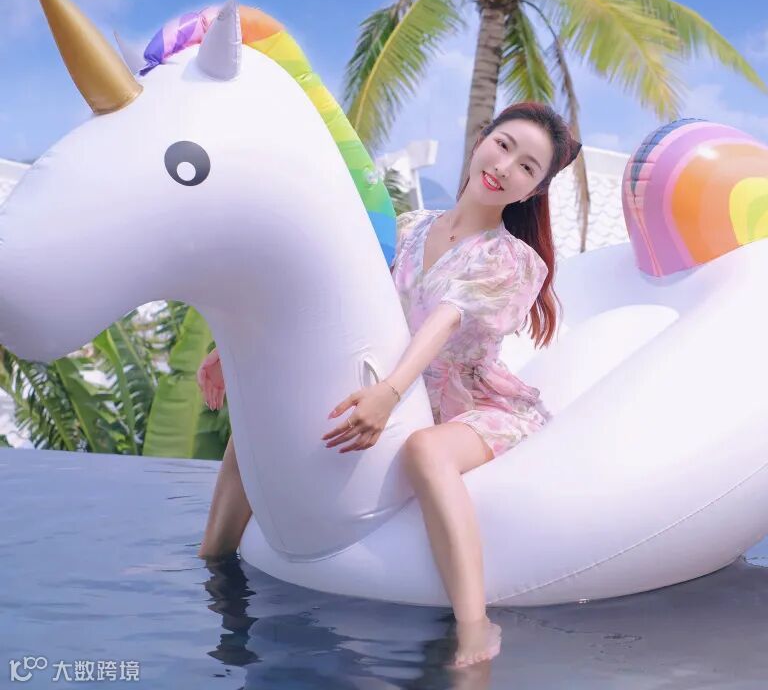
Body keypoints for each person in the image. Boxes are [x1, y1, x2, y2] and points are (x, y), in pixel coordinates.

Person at [196, 101, 581, 667]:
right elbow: (326, 297)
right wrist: (230, 349)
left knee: (427, 450)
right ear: (481, 140)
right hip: (398, 388)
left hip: (467, 404)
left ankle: (475, 627)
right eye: (503, 145)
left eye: (527, 167)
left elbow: (445, 320)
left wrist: (390, 394)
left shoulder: (515, 260)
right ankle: (212, 565)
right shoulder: (408, 228)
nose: (505, 167)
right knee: (257, 430)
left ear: (533, 191)